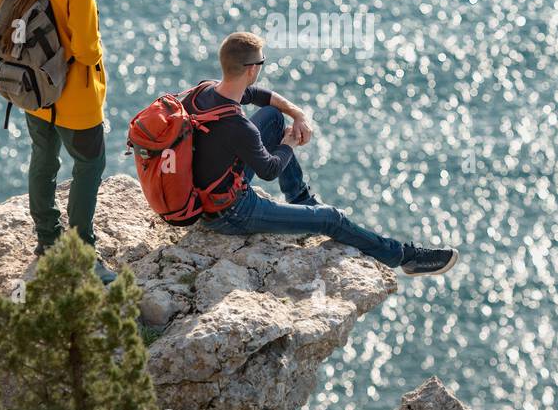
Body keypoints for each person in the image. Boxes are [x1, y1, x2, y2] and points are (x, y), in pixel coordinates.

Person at [190, 31, 459, 276]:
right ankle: (403, 257)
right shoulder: (239, 126)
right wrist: (289, 144)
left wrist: (297, 114)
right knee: (330, 219)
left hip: (211, 185)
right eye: (261, 63)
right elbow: (269, 170)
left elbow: (260, 96)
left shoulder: (203, 92)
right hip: (230, 212)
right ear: (251, 70)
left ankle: (300, 199)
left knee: (273, 115)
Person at [0, 0, 116, 283]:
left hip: (34, 90)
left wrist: (37, 36)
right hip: (75, 99)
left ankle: (47, 240)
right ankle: (82, 251)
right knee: (89, 166)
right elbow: (88, 51)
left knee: (44, 157)